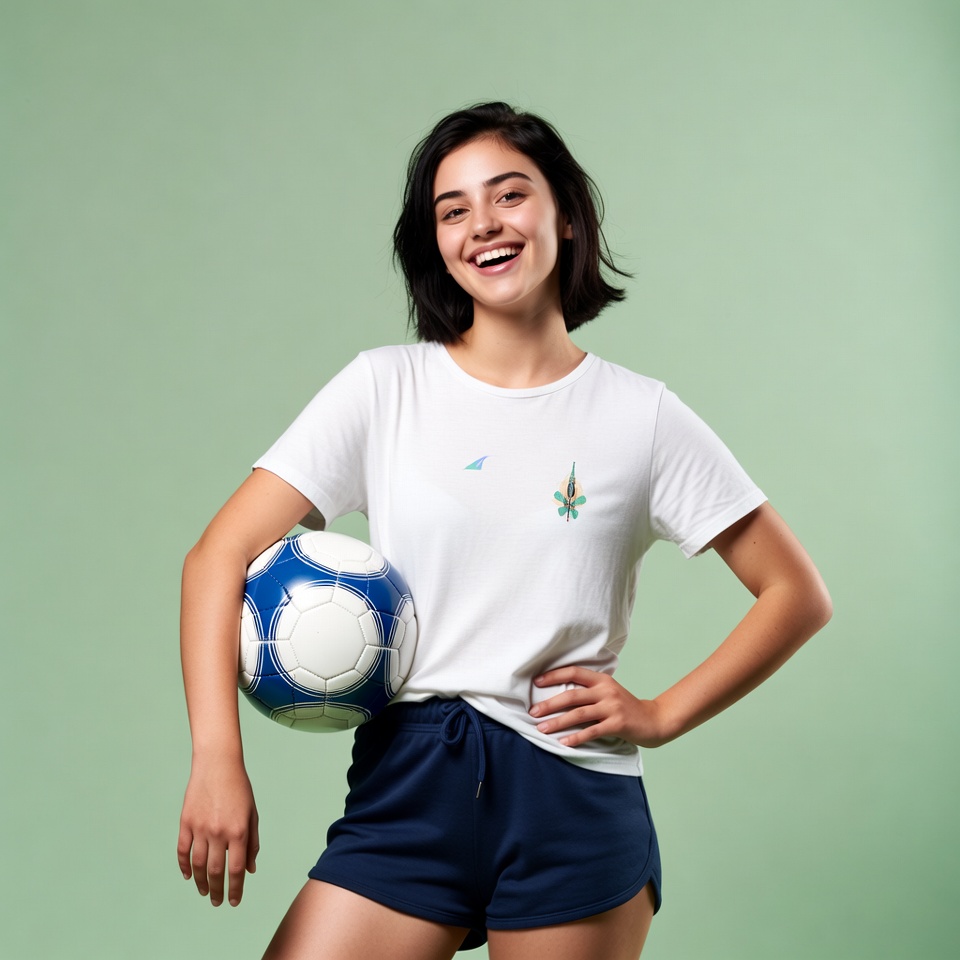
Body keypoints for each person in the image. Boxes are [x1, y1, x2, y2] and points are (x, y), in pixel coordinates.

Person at [177, 102, 832, 960]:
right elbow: (216, 558)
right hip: (409, 784)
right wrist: (216, 758)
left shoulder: (643, 417)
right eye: (453, 211)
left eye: (509, 195)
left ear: (564, 212)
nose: (483, 225)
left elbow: (797, 594)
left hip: (575, 802)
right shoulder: (384, 390)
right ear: (437, 242)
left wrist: (663, 713)